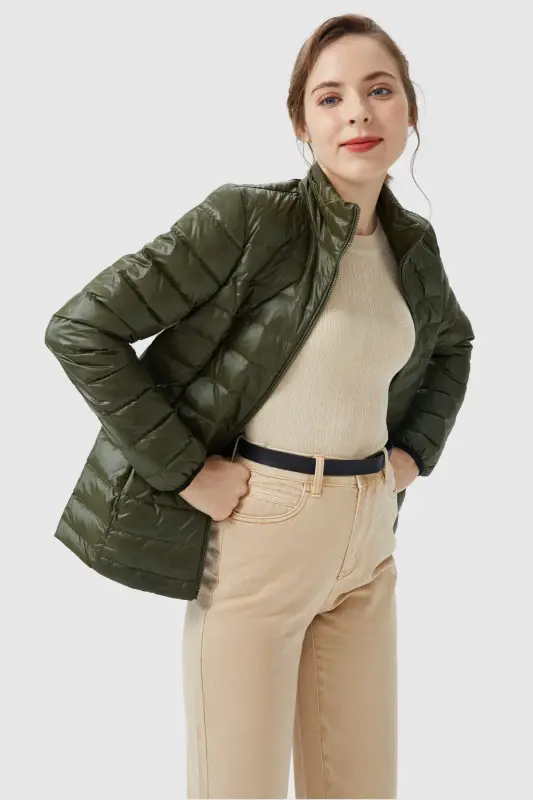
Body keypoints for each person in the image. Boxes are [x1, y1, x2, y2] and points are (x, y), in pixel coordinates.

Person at [44, 13, 474, 800]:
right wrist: (185, 471)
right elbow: (81, 329)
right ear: (300, 122)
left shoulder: (412, 245)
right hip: (261, 531)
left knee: (362, 788)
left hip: (367, 541)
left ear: (409, 108)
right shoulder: (250, 219)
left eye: (379, 90)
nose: (357, 112)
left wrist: (413, 454)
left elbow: (453, 345)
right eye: (329, 97)